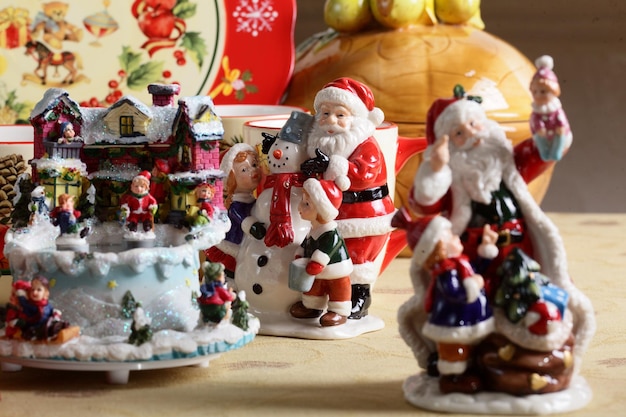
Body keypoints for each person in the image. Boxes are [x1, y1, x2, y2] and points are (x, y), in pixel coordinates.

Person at [403, 86, 594, 378]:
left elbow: (547, 148)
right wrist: (436, 168)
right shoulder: (451, 176)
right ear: (449, 144)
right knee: (474, 303)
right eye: (458, 133)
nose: (470, 133)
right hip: (470, 254)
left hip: (520, 250)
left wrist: (547, 111)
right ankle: (466, 360)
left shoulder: (508, 161)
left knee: (525, 296)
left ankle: (529, 348)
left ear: (486, 124)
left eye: (473, 123)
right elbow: (423, 202)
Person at [301, 77, 395, 319]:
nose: (330, 120)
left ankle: (358, 298)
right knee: (327, 257)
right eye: (325, 113)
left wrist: (332, 164)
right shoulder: (321, 145)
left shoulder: (367, 145)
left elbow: (365, 174)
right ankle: (318, 300)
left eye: (340, 115)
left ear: (356, 118)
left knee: (355, 261)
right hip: (334, 215)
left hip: (365, 215)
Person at [392, 209, 498, 391]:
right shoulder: (445, 272)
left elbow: (475, 270)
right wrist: (474, 284)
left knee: (469, 348)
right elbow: (455, 293)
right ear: (439, 247)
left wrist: (485, 251)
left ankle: (467, 371)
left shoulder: (460, 262)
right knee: (454, 351)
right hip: (452, 322)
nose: (456, 237)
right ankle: (452, 378)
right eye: (450, 236)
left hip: (470, 320)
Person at [289, 178, 353, 327]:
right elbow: (307, 243)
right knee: (313, 289)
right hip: (316, 274)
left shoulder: (331, 233)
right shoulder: (314, 228)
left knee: (339, 290)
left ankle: (339, 311)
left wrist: (317, 262)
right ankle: (312, 307)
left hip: (335, 272)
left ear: (321, 211)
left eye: (306, 204)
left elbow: (328, 248)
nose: (299, 207)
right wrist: (300, 253)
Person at [206, 143, 261, 277]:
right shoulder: (236, 205)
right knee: (232, 271)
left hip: (250, 243)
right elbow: (242, 218)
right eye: (244, 170)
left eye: (254, 165)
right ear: (231, 179)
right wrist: (252, 226)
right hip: (235, 244)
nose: (253, 171)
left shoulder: (254, 200)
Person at [529, 55, 572, 161]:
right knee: (540, 142)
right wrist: (539, 128)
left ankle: (556, 151)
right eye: (535, 92)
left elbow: (561, 119)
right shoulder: (537, 110)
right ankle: (544, 152)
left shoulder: (555, 109)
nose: (538, 95)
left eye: (543, 92)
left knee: (559, 140)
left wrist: (560, 127)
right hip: (542, 135)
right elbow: (535, 120)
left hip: (557, 133)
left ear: (554, 92)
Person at [14, 275, 73, 341]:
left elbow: (51, 311)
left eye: (39, 290)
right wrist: (21, 296)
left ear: (45, 293)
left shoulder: (47, 305)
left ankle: (59, 332)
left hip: (46, 324)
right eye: (33, 289)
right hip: (34, 327)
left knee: (59, 325)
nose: (34, 292)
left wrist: (55, 313)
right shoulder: (30, 305)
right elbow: (23, 305)